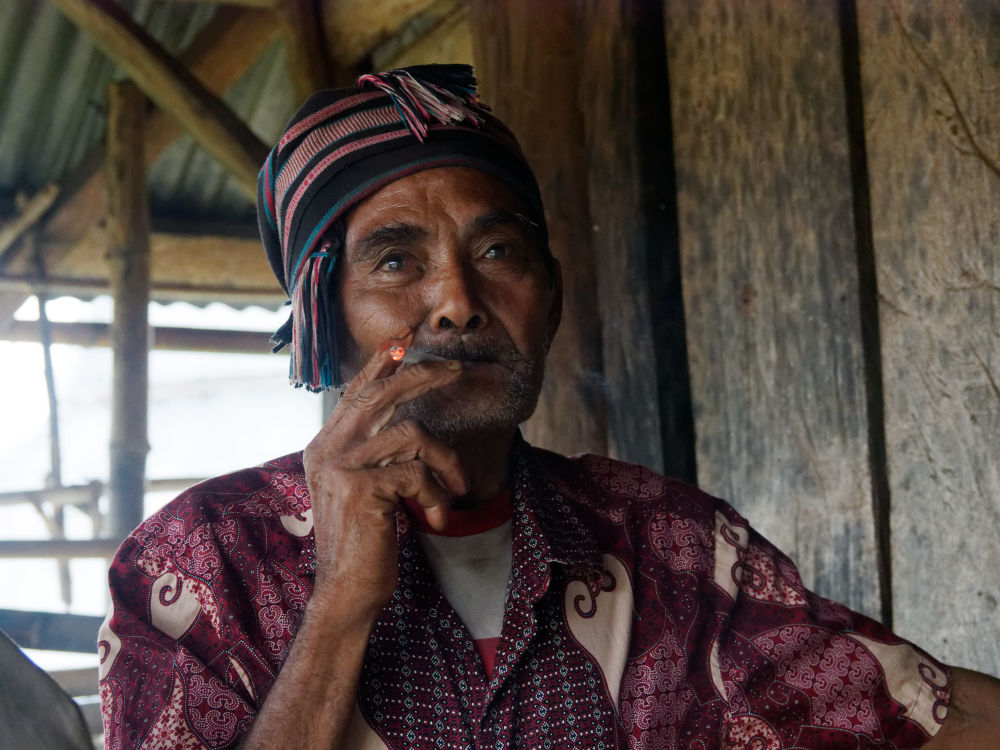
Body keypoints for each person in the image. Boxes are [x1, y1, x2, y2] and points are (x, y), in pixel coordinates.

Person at [98, 65, 1000, 749]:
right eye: (395, 262)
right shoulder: (198, 567)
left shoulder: (674, 546)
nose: (456, 299)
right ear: (321, 327)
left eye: (496, 251)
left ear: (551, 304)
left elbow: (920, 710)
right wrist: (339, 603)